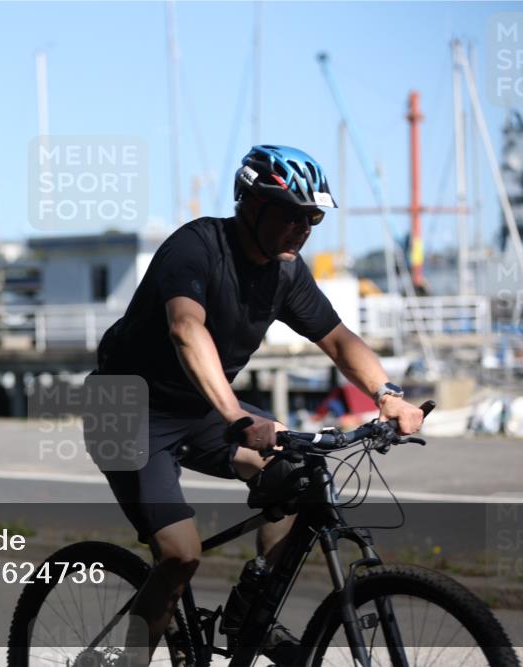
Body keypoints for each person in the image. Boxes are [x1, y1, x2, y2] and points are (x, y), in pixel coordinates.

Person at [88, 145, 426, 666]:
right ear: (250, 204)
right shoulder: (197, 247)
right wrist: (238, 417)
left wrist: (387, 394)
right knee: (180, 555)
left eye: (311, 217)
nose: (303, 227)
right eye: (291, 214)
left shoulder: (286, 272)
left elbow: (337, 341)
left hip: (197, 408)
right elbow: (186, 328)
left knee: (295, 474)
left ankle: (251, 614)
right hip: (127, 410)